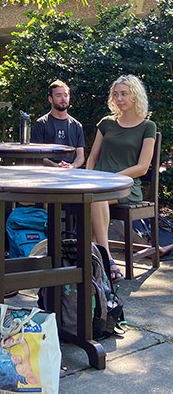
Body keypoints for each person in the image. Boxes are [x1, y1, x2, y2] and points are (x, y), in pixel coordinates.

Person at [86, 75, 156, 281]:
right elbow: (92, 158)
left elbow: (142, 167)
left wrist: (111, 179)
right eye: (116, 94)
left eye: (124, 94)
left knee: (95, 198)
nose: (119, 98)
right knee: (91, 196)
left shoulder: (147, 126)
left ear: (135, 96)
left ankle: (104, 258)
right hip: (98, 183)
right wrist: (88, 178)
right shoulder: (106, 123)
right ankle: (94, 258)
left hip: (126, 186)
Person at [31, 80, 85, 169]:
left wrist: (72, 166)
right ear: (50, 99)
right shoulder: (41, 124)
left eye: (65, 95)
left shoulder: (76, 125)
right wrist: (55, 166)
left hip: (71, 173)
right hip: (47, 172)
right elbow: (36, 155)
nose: (63, 99)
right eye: (58, 96)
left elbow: (80, 156)